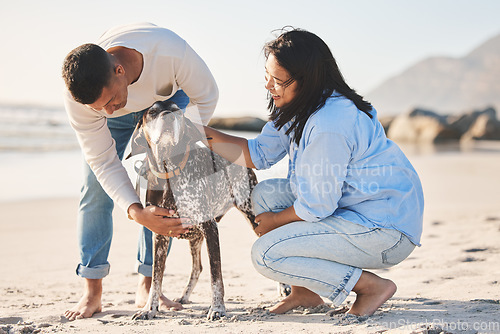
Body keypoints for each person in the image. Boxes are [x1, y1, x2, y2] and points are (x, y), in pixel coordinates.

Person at [198, 28, 424, 317]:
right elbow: (258, 154)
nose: (269, 86)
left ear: (307, 80)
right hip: (355, 208)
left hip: (385, 230)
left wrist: (276, 221)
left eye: (278, 80)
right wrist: (199, 133)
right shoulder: (301, 107)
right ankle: (305, 292)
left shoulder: (329, 123)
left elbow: (318, 204)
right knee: (265, 194)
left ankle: (370, 287)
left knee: (266, 255)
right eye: (267, 76)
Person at [61, 22, 218, 320]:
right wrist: (135, 210)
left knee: (163, 184)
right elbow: (103, 161)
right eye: (98, 109)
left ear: (119, 71)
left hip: (168, 99)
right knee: (94, 188)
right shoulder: (82, 97)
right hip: (123, 99)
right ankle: (92, 291)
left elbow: (208, 96)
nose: (107, 112)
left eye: (107, 101)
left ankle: (150, 284)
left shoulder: (171, 52)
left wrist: (178, 143)